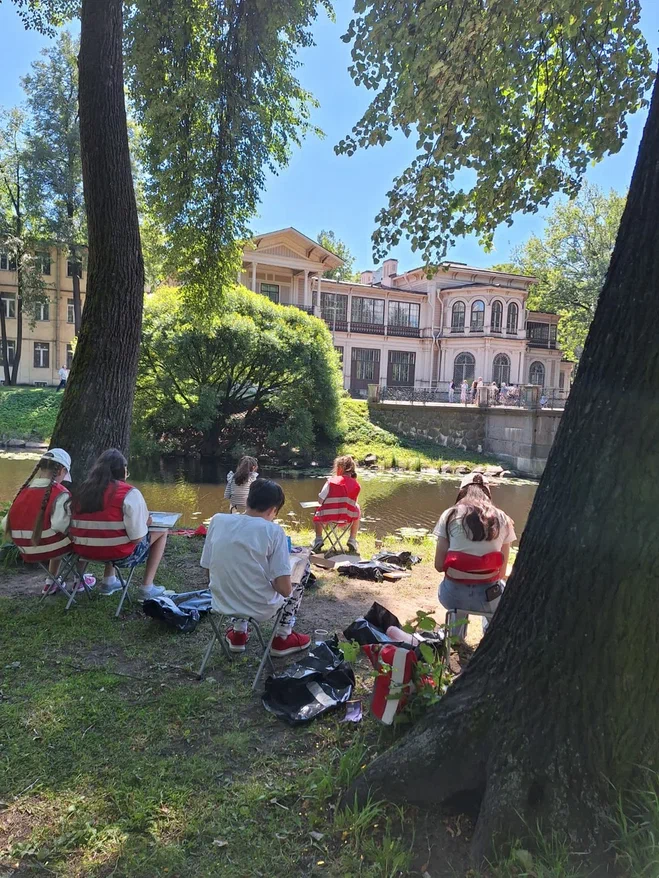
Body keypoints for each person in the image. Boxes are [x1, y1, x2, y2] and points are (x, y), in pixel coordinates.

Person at [200, 478, 311, 656]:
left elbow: (207, 569)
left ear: (247, 501)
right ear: (274, 510)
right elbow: (284, 590)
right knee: (303, 568)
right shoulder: (274, 531)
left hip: (221, 600)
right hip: (260, 607)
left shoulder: (217, 521)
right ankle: (283, 636)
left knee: (238, 569)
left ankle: (238, 632)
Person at [70, 449, 170, 600]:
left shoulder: (81, 490)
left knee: (111, 531)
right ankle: (147, 587)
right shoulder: (129, 493)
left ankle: (109, 581)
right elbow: (137, 538)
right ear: (123, 470)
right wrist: (145, 522)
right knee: (162, 532)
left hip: (83, 552)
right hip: (119, 555)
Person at [433, 472, 516, 640]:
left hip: (453, 597)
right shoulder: (504, 519)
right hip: (487, 598)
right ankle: (490, 638)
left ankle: (456, 637)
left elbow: (439, 565)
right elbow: (501, 572)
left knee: (457, 587)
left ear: (462, 492)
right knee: (498, 588)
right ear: (488, 493)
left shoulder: (449, 515)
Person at [2, 448, 94, 595]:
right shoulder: (60, 493)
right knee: (80, 535)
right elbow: (61, 525)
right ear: (61, 470)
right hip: (49, 548)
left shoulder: (23, 491)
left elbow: (5, 523)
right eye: (65, 474)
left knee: (54, 535)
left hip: (25, 549)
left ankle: (51, 582)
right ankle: (80, 579)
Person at [312, 455, 361, 554]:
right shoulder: (356, 485)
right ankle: (352, 539)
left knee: (318, 508)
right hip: (347, 517)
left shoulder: (331, 481)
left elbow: (320, 500)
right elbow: (353, 503)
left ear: (339, 468)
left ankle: (318, 539)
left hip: (327, 516)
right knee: (357, 509)